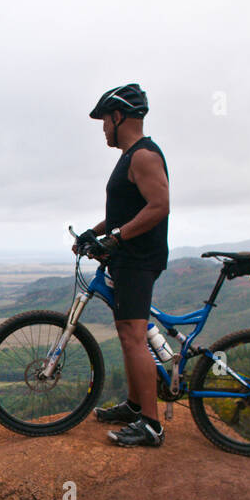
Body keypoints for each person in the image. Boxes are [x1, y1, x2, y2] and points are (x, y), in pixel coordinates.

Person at [73, 83, 171, 448]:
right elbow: (123, 212)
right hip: (128, 257)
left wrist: (118, 238)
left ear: (119, 117)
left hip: (138, 259)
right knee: (130, 335)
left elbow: (159, 205)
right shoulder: (130, 157)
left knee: (133, 336)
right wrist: (94, 232)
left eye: (103, 120)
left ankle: (151, 425)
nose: (101, 128)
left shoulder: (144, 155)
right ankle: (134, 406)